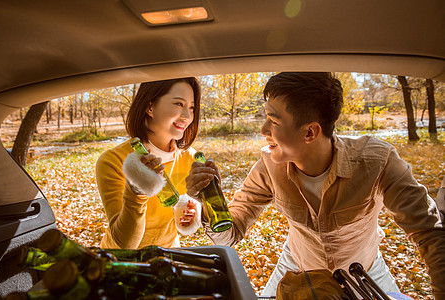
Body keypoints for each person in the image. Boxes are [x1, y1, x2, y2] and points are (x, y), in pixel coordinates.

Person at [186, 72, 445, 298]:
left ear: (310, 132)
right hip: (296, 267)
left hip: (364, 269)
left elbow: (429, 233)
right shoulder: (269, 166)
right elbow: (228, 235)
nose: (264, 130)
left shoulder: (378, 161)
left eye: (274, 121)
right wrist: (208, 201)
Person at [96, 77, 202, 249]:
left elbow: (181, 214)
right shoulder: (112, 161)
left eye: (191, 107)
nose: (188, 116)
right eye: (178, 104)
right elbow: (125, 245)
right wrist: (136, 191)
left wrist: (188, 215)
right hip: (121, 264)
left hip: (167, 260)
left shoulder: (190, 158)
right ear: (149, 107)